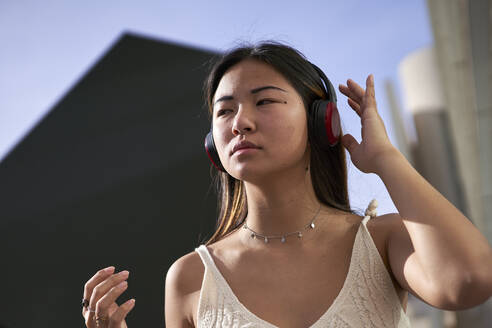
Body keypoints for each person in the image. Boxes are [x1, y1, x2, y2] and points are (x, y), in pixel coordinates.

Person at [81, 41, 492, 328]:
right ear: (213, 144)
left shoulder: (382, 242)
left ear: (322, 121)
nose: (240, 121)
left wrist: (386, 160)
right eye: (225, 111)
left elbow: (469, 282)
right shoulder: (191, 279)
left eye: (265, 101)